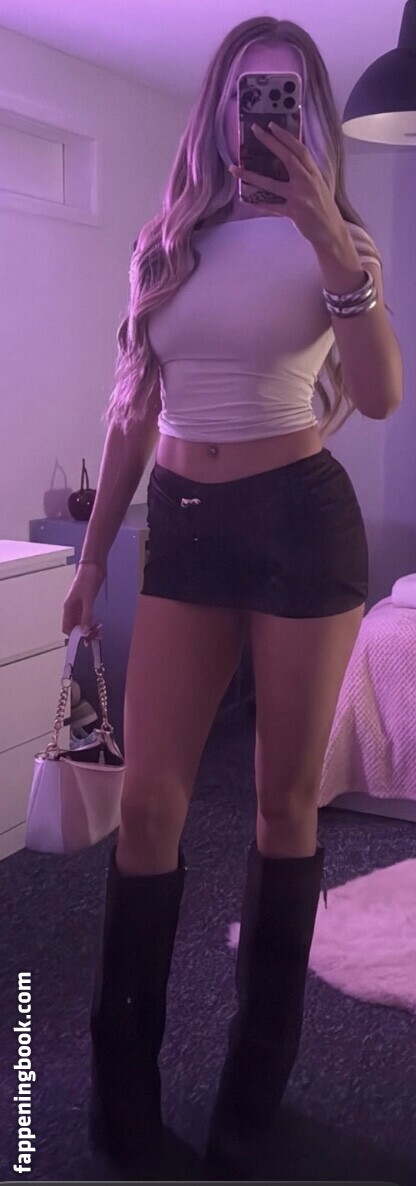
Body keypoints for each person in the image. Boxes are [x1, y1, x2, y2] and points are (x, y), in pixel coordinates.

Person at [62, 14, 403, 1181]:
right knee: (147, 807)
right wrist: (92, 558)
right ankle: (119, 1108)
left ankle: (247, 1107)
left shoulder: (340, 240)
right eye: (247, 92)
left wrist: (330, 248)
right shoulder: (164, 240)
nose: (263, 111)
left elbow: (378, 395)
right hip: (183, 530)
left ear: (307, 114)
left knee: (279, 805)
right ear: (216, 108)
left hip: (298, 524)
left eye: (284, 93)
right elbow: (130, 410)